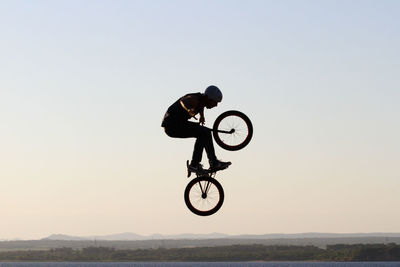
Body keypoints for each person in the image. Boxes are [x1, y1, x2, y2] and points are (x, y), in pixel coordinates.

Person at [161, 85, 231, 172]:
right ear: (209, 99)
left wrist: (202, 116)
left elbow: (201, 106)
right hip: (172, 126)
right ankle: (195, 164)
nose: (216, 105)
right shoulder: (195, 98)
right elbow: (183, 101)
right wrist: (189, 110)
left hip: (176, 124)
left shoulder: (202, 101)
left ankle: (213, 162)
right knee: (203, 132)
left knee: (206, 132)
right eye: (215, 102)